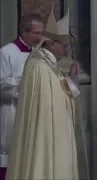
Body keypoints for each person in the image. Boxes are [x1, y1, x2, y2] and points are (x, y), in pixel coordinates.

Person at [5, 7, 87, 180]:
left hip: (53, 133)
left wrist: (71, 79)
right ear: (52, 44)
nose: (66, 51)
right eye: (64, 46)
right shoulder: (40, 66)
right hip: (42, 135)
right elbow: (48, 103)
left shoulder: (49, 64)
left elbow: (59, 94)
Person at [0, 13, 44, 180]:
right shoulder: (6, 52)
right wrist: (24, 82)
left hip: (32, 114)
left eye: (42, 33)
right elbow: (2, 86)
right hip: (11, 112)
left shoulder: (39, 54)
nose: (40, 37)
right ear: (24, 31)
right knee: (11, 160)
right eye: (36, 33)